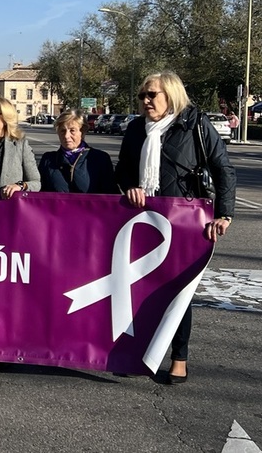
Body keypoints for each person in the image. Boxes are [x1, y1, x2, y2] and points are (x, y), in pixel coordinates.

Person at [115, 71, 236, 384]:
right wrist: (130, 187)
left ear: (171, 95)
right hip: (142, 219)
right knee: (138, 288)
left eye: (152, 95)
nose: (146, 101)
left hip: (185, 220)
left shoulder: (194, 125)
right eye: (143, 95)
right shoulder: (134, 129)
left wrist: (224, 214)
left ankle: (178, 358)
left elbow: (223, 169)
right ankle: (137, 354)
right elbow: (124, 170)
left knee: (179, 291)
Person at [38, 110, 117, 194]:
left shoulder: (100, 159)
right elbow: (38, 196)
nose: (66, 136)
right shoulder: (48, 160)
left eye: (72, 130)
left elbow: (111, 196)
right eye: (62, 131)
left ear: (82, 132)